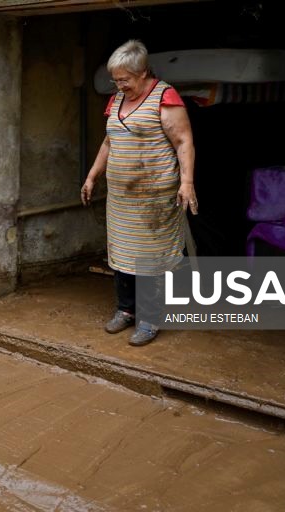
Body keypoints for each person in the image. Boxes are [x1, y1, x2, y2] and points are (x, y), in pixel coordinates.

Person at [80, 39, 198, 346]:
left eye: (125, 80)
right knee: (122, 254)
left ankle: (150, 318)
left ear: (143, 72)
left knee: (150, 259)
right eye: (115, 80)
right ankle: (126, 310)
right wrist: (93, 176)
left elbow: (184, 142)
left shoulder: (164, 97)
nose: (119, 85)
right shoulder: (117, 100)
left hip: (154, 197)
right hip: (121, 197)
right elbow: (109, 142)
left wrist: (187, 183)